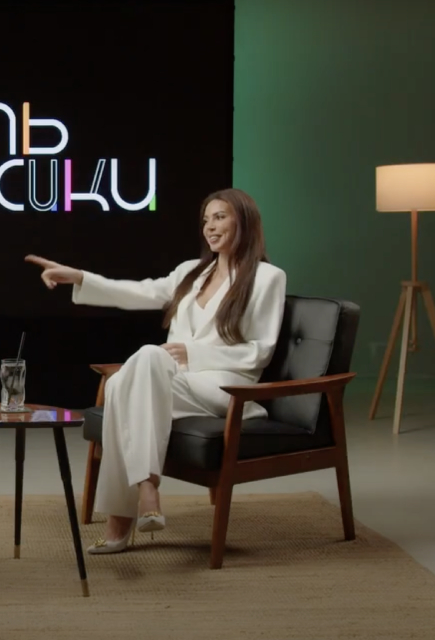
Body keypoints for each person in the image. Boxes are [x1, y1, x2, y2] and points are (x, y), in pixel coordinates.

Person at [25, 188, 286, 554]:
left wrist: (194, 353)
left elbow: (261, 350)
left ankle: (123, 519)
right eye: (206, 220)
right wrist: (80, 277)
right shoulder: (191, 272)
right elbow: (139, 292)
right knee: (121, 385)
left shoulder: (267, 277)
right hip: (174, 382)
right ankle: (145, 489)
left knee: (136, 370)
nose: (210, 227)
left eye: (220, 217)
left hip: (225, 388)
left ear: (244, 220)